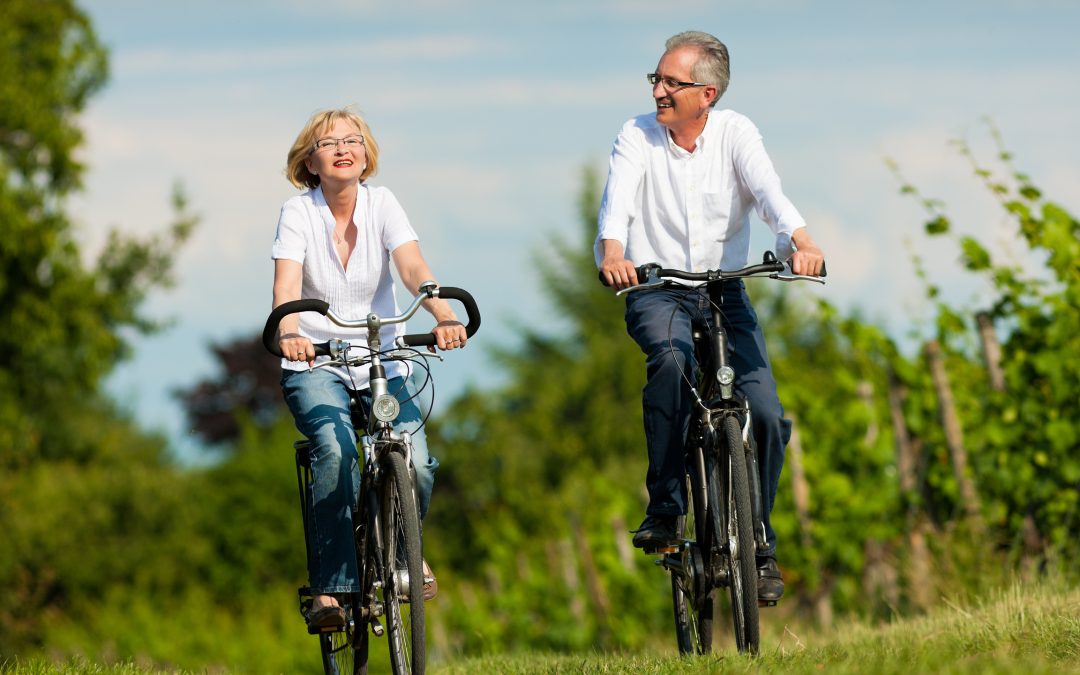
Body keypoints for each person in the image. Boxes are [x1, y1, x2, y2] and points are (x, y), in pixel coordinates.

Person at [595, 31, 825, 603]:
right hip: (658, 291)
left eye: (671, 82)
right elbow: (617, 204)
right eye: (656, 79)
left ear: (707, 93)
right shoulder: (636, 135)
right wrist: (614, 254)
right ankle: (666, 508)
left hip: (725, 291)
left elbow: (769, 193)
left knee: (764, 412)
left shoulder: (736, 133)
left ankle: (759, 543)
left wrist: (800, 241)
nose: (658, 91)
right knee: (670, 363)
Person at [272, 107, 467, 628]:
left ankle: (403, 556)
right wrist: (290, 332)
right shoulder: (297, 213)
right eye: (328, 143)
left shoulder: (383, 204)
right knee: (335, 451)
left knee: (416, 460)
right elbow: (286, 288)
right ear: (310, 162)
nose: (343, 148)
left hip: (383, 360)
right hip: (319, 362)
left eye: (352, 139)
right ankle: (331, 590)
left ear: (366, 154)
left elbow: (412, 268)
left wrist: (443, 314)